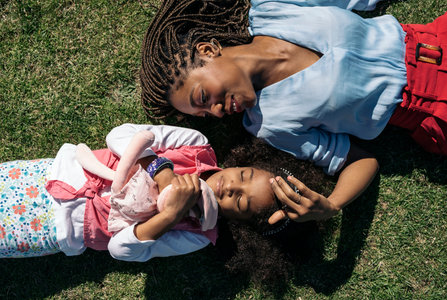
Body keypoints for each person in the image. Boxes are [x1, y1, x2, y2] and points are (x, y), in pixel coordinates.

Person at [140, 0, 447, 224]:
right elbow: (361, 160)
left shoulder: (271, 9)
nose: (217, 112)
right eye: (205, 114)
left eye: (203, 96)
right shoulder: (270, 124)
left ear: (208, 50)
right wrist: (331, 204)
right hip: (436, 112)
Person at [0, 124, 330, 269]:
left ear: (238, 221)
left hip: (55, 228)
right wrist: (163, 171)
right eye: (244, 176)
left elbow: (120, 250)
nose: (231, 187)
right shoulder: (196, 145)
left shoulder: (198, 235)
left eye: (240, 202)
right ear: (245, 163)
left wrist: (170, 216)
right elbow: (120, 135)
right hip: (53, 175)